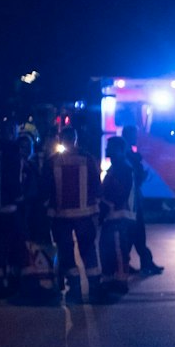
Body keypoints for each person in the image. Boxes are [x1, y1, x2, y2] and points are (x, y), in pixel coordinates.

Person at [45, 127, 103, 302]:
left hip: (61, 216)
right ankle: (94, 285)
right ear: (75, 139)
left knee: (66, 251)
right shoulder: (87, 158)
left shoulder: (53, 161)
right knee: (88, 250)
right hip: (85, 215)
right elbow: (96, 185)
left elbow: (46, 188)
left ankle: (74, 287)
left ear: (62, 140)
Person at [0, 125, 33, 299]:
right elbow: (15, 179)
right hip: (10, 206)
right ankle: (14, 282)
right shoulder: (13, 152)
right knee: (16, 243)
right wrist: (19, 198)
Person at [119, 123, 163, 276]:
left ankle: (133, 263)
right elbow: (131, 177)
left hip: (133, 198)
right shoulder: (128, 155)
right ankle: (140, 263)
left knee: (135, 234)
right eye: (134, 135)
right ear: (129, 136)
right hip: (132, 199)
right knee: (137, 232)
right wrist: (141, 176)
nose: (137, 138)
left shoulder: (127, 153)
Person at [96, 137, 137, 301]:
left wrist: (105, 207)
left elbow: (119, 194)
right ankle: (111, 280)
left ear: (120, 149)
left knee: (118, 250)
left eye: (110, 147)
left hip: (119, 216)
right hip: (114, 216)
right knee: (109, 249)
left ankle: (120, 283)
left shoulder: (122, 168)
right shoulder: (117, 167)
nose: (107, 149)